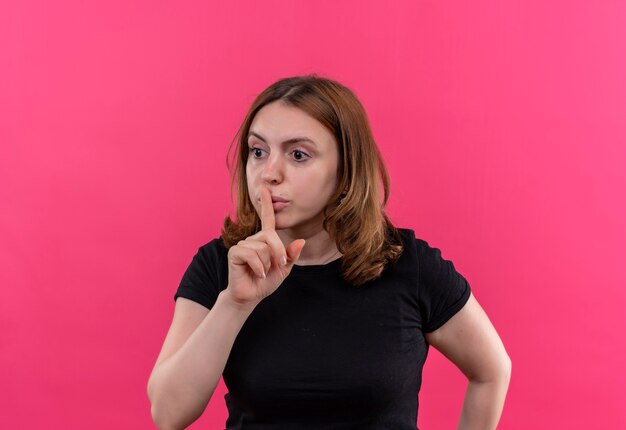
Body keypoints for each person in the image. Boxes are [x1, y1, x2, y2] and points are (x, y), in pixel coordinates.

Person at [147, 75, 511, 429]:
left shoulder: (408, 264)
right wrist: (235, 304)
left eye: (299, 155)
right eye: (258, 151)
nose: (269, 173)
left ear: (346, 169)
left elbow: (491, 371)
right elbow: (168, 413)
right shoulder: (219, 264)